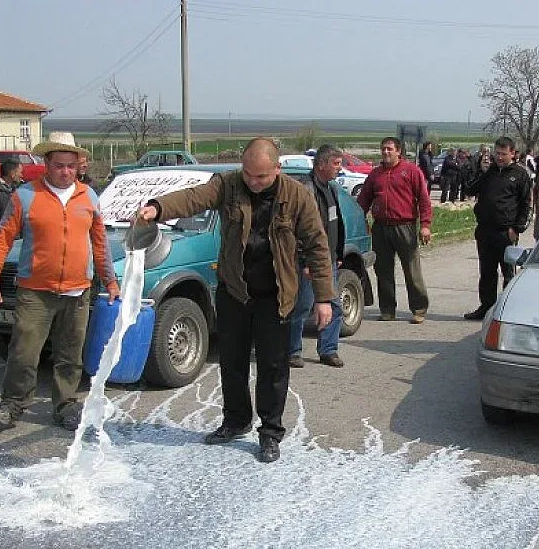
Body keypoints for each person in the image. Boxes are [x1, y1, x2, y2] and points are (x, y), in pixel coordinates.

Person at [136, 138, 334, 463]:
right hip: (235, 292)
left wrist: (324, 297)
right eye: (248, 175)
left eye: (261, 177)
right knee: (232, 362)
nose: (253, 183)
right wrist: (157, 208)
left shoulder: (297, 196)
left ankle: (270, 433)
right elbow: (193, 198)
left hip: (276, 296)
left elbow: (317, 245)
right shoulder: (228, 185)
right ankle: (236, 421)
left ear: (277, 170)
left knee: (272, 367)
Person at [0, 132, 120, 431]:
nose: (66, 171)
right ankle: (12, 405)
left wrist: (110, 280)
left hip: (77, 290)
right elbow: (2, 238)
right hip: (35, 291)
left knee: (70, 354)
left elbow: (100, 244)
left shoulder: (89, 197)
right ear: (46, 163)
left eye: (71, 166)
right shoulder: (25, 196)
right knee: (24, 352)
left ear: (78, 166)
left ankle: (66, 405)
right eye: (59, 165)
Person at [357, 136, 432, 324]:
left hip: (404, 226)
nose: (386, 152)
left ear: (399, 151)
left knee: (411, 270)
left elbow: (424, 199)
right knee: (382, 271)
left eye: (390, 149)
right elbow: (363, 200)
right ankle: (388, 310)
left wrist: (425, 225)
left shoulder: (411, 171)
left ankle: (419, 309)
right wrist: (360, 220)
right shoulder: (375, 174)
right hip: (381, 227)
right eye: (383, 148)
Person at [287, 144, 346, 369]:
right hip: (311, 262)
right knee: (302, 307)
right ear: (322, 164)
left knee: (334, 306)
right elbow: (300, 230)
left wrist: (337, 254)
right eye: (336, 164)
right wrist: (305, 262)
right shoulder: (307, 190)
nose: (339, 169)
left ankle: (328, 350)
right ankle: (292, 351)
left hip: (328, 260)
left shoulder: (330, 188)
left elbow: (334, 224)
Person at [464, 136, 531, 321]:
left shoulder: (520, 174)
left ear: (512, 153)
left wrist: (517, 228)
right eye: (497, 153)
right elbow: (470, 189)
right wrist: (480, 170)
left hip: (506, 232)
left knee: (508, 273)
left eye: (503, 154)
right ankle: (486, 307)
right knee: (486, 272)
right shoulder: (489, 172)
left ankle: (508, 309)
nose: (499, 157)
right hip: (485, 231)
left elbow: (526, 204)